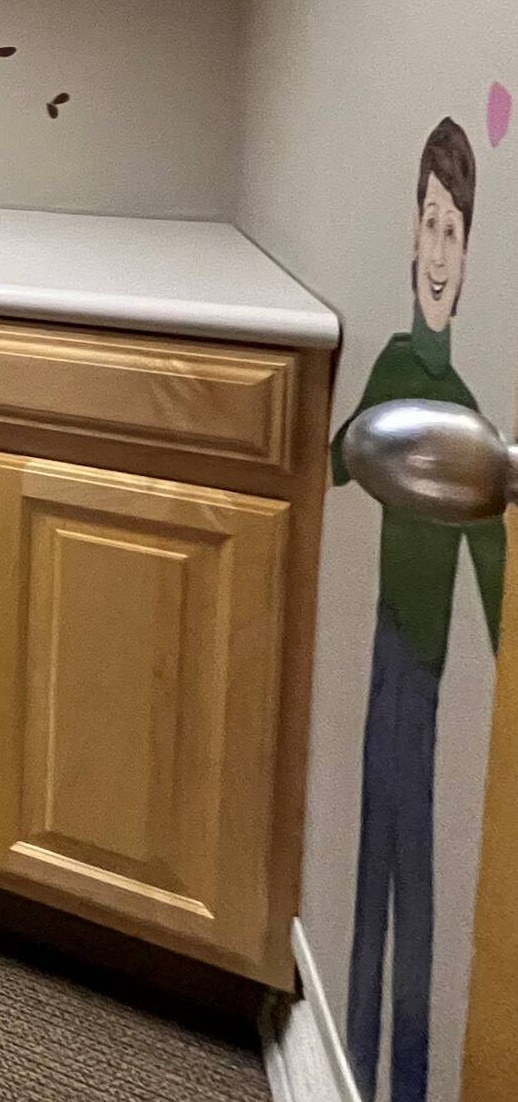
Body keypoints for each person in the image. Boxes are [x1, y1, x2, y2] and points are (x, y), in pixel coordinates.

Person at [333, 116, 497, 1102]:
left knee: (419, 882)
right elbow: (339, 455)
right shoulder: (393, 366)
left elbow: (491, 552)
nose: (438, 251)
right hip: (388, 654)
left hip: (427, 677)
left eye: (454, 231)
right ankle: (353, 1050)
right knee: (373, 874)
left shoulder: (470, 416)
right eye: (428, 224)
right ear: (410, 235)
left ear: (468, 254)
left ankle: (405, 1080)